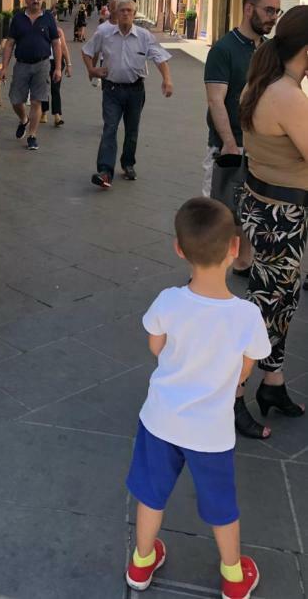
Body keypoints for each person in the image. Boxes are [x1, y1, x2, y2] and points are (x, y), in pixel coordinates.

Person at [125, 197, 270, 598]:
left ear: (178, 248)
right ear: (234, 249)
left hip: (161, 420)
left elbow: (156, 347)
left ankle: (140, 564)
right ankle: (233, 575)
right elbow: (244, 371)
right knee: (222, 505)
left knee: (151, 496)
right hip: (211, 432)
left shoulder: (169, 301)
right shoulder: (247, 316)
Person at [234, 5, 308, 438]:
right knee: (266, 311)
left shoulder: (263, 83)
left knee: (280, 303)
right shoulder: (286, 95)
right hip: (281, 217)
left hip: (263, 207)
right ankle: (233, 393)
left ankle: (273, 382)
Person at [203, 0, 282, 276]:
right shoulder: (223, 49)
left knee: (249, 210)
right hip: (229, 145)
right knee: (220, 211)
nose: (273, 17)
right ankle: (206, 269)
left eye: (276, 11)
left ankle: (242, 262)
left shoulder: (267, 50)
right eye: (268, 10)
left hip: (260, 146)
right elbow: (215, 99)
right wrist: (228, 143)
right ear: (249, 9)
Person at [83, 0, 173, 188]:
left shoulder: (144, 36)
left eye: (129, 11)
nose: (125, 13)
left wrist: (167, 79)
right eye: (122, 10)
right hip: (112, 90)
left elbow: (159, 57)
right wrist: (92, 70)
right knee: (110, 128)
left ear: (134, 14)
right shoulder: (104, 33)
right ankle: (105, 171)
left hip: (135, 90)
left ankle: (128, 163)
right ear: (116, 13)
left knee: (132, 130)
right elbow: (87, 50)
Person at [0, 0, 62, 151]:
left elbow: (56, 43)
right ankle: (23, 119)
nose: (36, 1)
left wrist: (58, 68)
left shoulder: (48, 18)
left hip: (42, 65)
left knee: (37, 100)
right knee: (15, 99)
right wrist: (4, 67)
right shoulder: (18, 18)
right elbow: (10, 43)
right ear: (26, 0)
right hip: (21, 64)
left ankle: (32, 135)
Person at [41, 14, 72, 126]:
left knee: (55, 88)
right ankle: (44, 112)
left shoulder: (59, 32)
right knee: (44, 88)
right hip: (43, 62)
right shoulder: (41, 30)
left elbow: (63, 48)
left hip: (57, 62)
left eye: (54, 20)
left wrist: (68, 64)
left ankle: (57, 115)